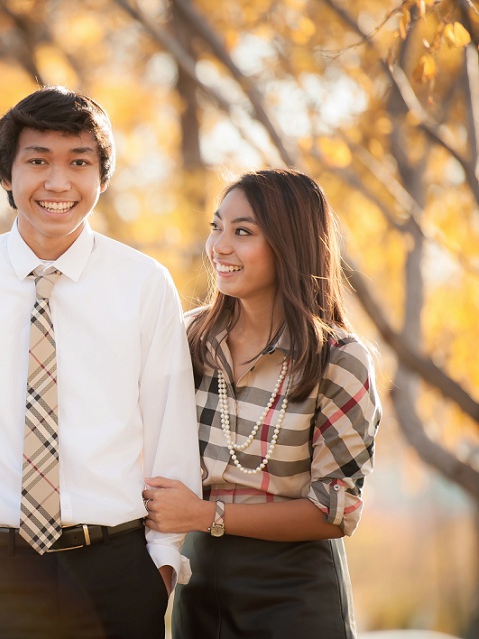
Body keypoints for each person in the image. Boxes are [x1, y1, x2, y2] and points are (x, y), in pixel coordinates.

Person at [0, 85, 202, 638]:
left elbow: (170, 425)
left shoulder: (143, 283)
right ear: (7, 175)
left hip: (119, 564)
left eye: (79, 162)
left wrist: (163, 561)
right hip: (2, 570)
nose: (58, 182)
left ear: (101, 177)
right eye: (38, 161)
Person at [142, 168, 382, 638]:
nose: (219, 247)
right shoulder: (185, 339)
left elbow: (335, 512)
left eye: (243, 232)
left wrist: (205, 515)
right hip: (200, 582)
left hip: (295, 592)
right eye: (216, 227)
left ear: (289, 245)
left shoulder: (339, 358)